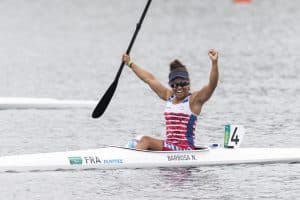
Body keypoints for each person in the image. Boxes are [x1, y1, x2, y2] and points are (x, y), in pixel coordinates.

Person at [122, 49, 219, 151]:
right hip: (170, 147)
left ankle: (133, 161)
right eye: (175, 84)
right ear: (171, 85)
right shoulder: (169, 96)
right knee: (137, 139)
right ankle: (128, 158)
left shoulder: (194, 100)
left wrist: (214, 63)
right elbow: (149, 79)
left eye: (182, 83)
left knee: (146, 140)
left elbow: (212, 85)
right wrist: (130, 63)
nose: (179, 87)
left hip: (184, 149)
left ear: (188, 84)